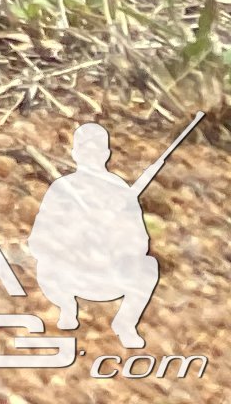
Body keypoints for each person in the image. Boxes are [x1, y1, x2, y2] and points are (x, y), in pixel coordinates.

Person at [28, 124, 161, 349]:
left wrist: (113, 241)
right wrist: (74, 241)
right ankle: (67, 309)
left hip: (109, 275)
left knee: (148, 267)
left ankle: (125, 323)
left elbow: (140, 242)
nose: (91, 156)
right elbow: (38, 241)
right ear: (75, 153)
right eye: (85, 150)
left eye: (97, 150)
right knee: (45, 266)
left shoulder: (120, 190)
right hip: (69, 274)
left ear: (106, 154)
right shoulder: (62, 188)